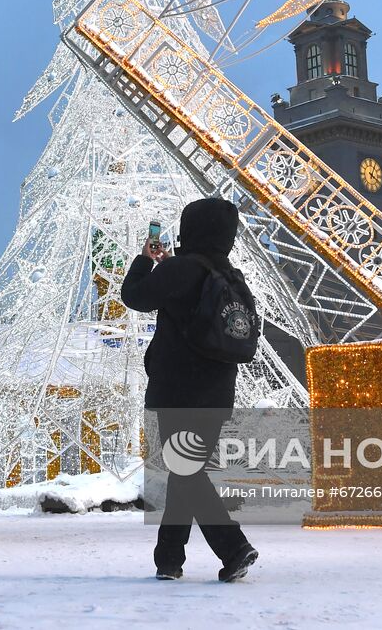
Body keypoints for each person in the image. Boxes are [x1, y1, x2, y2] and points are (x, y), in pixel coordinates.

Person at [120, 196, 259, 583]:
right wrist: (171, 269)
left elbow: (135, 296)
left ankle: (234, 548)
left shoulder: (182, 270)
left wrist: (146, 259)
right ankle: (168, 559)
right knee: (186, 471)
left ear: (190, 229)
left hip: (179, 389)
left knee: (185, 470)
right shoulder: (230, 276)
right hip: (217, 392)